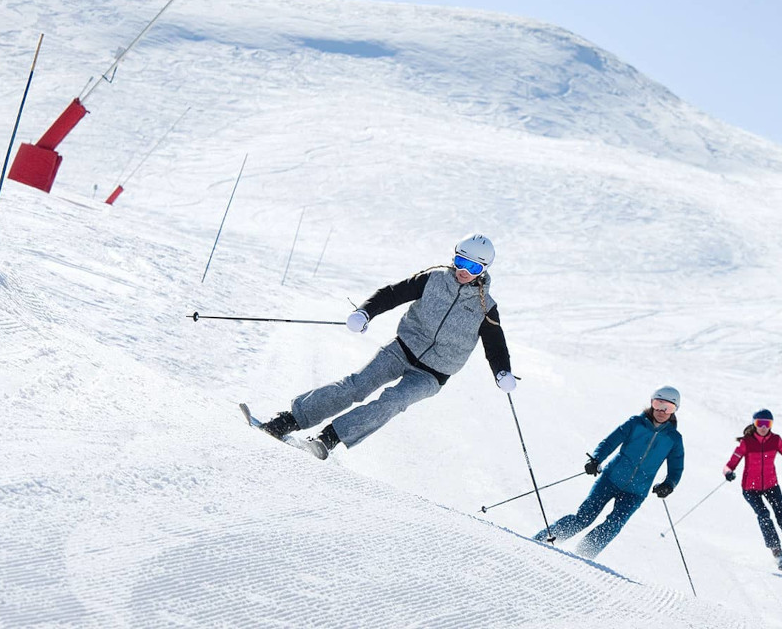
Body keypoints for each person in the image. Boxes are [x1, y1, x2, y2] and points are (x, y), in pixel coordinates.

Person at [257, 234, 515, 459]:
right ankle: (288, 421)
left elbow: (495, 344)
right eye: (460, 262)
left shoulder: (485, 306)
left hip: (432, 374)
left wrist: (502, 371)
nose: (463, 271)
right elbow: (392, 294)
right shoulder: (433, 280)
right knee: (356, 386)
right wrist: (364, 313)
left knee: (393, 402)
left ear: (484, 269)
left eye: (472, 267)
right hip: (402, 349)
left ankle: (329, 438)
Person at [534, 386, 685, 559]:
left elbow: (676, 467)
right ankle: (541, 540)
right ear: (651, 403)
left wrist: (669, 485)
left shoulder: (673, 439)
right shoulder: (635, 423)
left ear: (674, 411)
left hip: (636, 492)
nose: (661, 411)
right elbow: (611, 441)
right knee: (584, 517)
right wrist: (596, 459)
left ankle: (582, 555)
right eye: (658, 404)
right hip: (610, 479)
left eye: (668, 407)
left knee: (613, 525)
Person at [723, 408, 782, 570]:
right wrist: (728, 473)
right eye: (760, 423)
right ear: (754, 424)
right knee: (764, 514)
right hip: (750, 488)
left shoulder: (776, 440)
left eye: (768, 423)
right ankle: (776, 550)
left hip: (771, 485)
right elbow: (730, 464)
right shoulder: (747, 442)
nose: (764, 427)